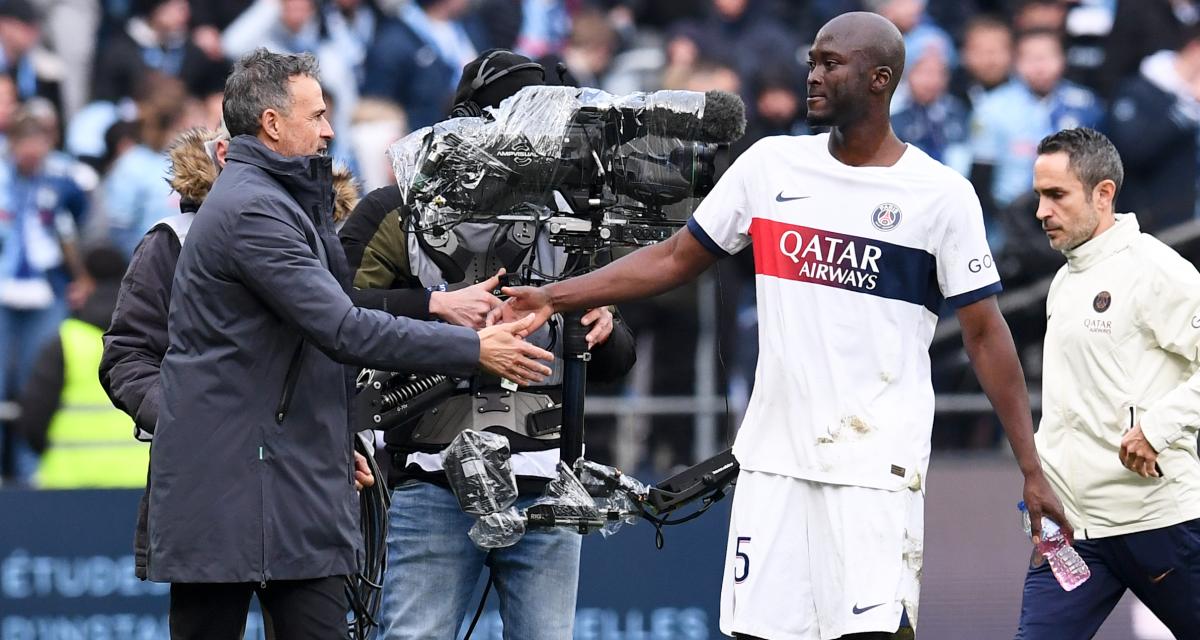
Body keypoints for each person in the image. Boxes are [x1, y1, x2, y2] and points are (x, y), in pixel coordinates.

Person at [496, 13, 1069, 640]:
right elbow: (673, 258)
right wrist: (555, 296)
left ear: (880, 79)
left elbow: (987, 336)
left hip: (873, 465)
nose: (813, 76)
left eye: (830, 64)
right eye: (811, 62)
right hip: (771, 460)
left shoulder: (940, 194)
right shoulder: (771, 166)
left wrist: (1030, 465)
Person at [147, 49, 553, 638]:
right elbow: (342, 328)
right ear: (271, 123)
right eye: (317, 115)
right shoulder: (252, 210)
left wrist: (332, 440)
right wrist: (472, 349)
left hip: (284, 472)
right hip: (231, 483)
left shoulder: (281, 201)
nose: (330, 129)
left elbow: (315, 335)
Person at [339, 48, 637, 639]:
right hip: (431, 476)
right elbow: (333, 318)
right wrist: (436, 308)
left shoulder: (574, 217)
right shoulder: (399, 210)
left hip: (548, 480)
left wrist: (601, 326)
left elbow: (617, 358)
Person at [1015, 127, 1200, 638]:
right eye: (1039, 196)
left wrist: (1158, 429)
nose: (1041, 212)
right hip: (1072, 533)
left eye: (1056, 195)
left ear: (1103, 194)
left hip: (1157, 522)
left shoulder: (1155, 269)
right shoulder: (1064, 278)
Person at [14, 245, 141, 488]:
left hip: (68, 486)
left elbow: (32, 422)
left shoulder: (65, 342)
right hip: (140, 485)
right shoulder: (155, 339)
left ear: (89, 284)